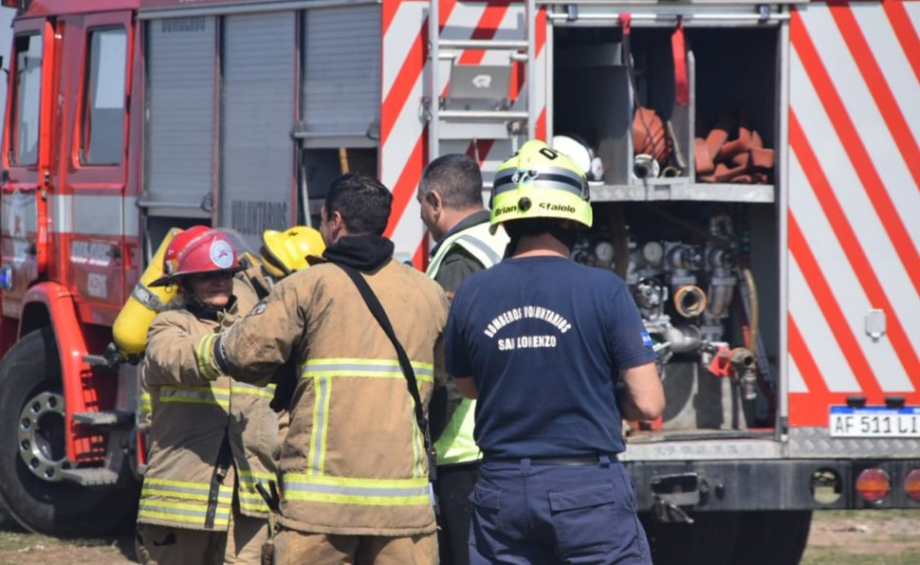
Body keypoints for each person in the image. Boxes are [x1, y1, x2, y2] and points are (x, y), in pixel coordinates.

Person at [197, 173, 450, 564]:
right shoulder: (428, 293)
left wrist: (207, 344)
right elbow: (446, 383)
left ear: (334, 222)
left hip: (319, 511)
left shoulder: (306, 286)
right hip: (405, 508)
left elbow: (245, 355)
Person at [443, 140, 665, 564]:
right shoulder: (604, 290)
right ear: (574, 218)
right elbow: (648, 402)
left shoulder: (472, 292)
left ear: (505, 220)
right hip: (586, 489)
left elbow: (468, 387)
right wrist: (597, 392)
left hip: (501, 491)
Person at [136, 226, 279, 565]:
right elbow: (176, 359)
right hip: (182, 509)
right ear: (184, 285)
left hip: (249, 504)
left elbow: (281, 417)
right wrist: (229, 348)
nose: (220, 282)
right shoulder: (169, 326)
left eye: (226, 275)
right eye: (207, 276)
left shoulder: (252, 335)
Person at [417, 153, 509, 565]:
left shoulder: (458, 258)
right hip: (506, 435)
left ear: (435, 201)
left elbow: (450, 364)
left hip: (463, 449)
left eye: (421, 204)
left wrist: (427, 439)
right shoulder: (504, 238)